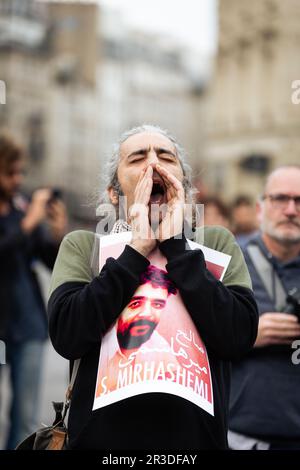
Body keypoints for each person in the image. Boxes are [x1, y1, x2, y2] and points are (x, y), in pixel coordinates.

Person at [48, 124, 258, 450]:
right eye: (136, 158)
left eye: (165, 156)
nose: (153, 164)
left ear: (184, 187)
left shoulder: (215, 242)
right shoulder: (84, 246)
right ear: (114, 194)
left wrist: (176, 247)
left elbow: (238, 336)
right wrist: (136, 250)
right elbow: (68, 335)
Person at [0, 132, 67, 449]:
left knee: (25, 417)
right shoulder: (23, 217)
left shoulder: (21, 209)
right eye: (10, 173)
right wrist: (28, 223)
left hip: (27, 328)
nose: (18, 179)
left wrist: (55, 233)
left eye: (20, 172)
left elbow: (51, 261)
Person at [229, 166, 300, 450]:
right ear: (260, 208)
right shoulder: (228, 264)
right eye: (280, 199)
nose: (291, 210)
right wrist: (246, 334)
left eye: (299, 201)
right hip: (243, 437)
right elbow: (193, 342)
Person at [98, 264, 180, 393]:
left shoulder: (160, 347)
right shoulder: (99, 345)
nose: (146, 313)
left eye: (157, 304)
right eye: (135, 303)